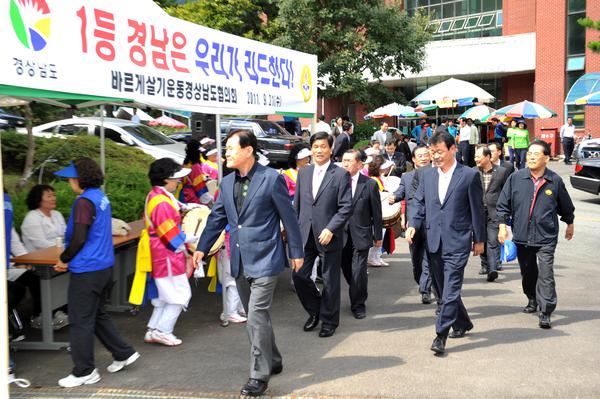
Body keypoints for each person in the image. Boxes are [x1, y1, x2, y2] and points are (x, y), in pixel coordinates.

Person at [194, 129, 303, 397]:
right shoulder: (227, 183)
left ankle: (258, 375)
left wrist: (297, 251)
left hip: (266, 258)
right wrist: (201, 248)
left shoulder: (271, 179)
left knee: (254, 316)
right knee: (259, 317)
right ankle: (274, 359)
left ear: (248, 150)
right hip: (240, 259)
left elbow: (289, 218)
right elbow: (217, 219)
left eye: (231, 148)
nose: (226, 153)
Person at [53, 158, 139, 388]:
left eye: (71, 178)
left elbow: (79, 238)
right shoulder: (100, 197)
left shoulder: (83, 202)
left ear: (79, 179)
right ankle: (123, 352)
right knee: (98, 314)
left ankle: (84, 371)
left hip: (87, 268)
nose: (69, 182)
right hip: (103, 266)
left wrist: (64, 259)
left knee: (81, 320)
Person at [406, 131, 485, 355]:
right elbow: (418, 203)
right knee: (442, 289)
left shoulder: (468, 175)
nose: (435, 156)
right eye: (432, 152)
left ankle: (440, 334)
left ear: (453, 149)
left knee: (450, 289)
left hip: (457, 240)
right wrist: (413, 223)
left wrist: (479, 240)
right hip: (433, 240)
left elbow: (477, 210)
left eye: (439, 152)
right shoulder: (427, 176)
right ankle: (463, 322)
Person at [496, 140, 575, 329]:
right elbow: (503, 204)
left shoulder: (554, 180)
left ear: (546, 158)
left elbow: (565, 206)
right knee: (528, 272)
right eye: (529, 153)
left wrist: (569, 223)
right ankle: (532, 299)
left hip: (546, 236)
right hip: (522, 235)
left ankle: (546, 310)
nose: (531, 157)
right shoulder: (516, 178)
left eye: (536, 154)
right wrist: (502, 226)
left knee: (546, 274)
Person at [292, 131, 352, 338]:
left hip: (329, 236)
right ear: (311, 149)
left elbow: (345, 207)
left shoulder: (341, 174)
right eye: (315, 146)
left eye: (323, 146)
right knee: (298, 275)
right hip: (305, 234)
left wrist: (331, 228)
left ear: (331, 149)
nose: (319, 150)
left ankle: (329, 321)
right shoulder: (304, 172)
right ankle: (315, 310)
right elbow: (297, 205)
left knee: (329, 281)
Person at [143, 158, 200, 346]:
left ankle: (154, 329)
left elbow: (179, 208)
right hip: (166, 254)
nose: (178, 182)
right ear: (167, 179)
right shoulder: (162, 202)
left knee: (164, 295)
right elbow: (171, 236)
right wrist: (191, 238)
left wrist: (192, 208)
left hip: (162, 253)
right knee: (180, 294)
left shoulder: (159, 195)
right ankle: (163, 330)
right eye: (176, 179)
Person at [389, 145, 436, 304]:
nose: (423, 158)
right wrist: (393, 197)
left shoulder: (436, 174)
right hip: (413, 224)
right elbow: (400, 192)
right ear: (414, 159)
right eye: (420, 156)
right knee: (416, 259)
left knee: (429, 257)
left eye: (426, 155)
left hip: (432, 222)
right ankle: (421, 280)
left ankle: (426, 289)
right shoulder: (406, 177)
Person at [340, 149, 383, 318]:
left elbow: (376, 212)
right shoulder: (336, 181)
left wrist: (378, 236)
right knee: (347, 270)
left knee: (358, 270)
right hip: (341, 235)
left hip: (362, 234)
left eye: (349, 161)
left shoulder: (369, 184)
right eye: (343, 160)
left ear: (359, 164)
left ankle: (358, 304)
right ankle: (356, 290)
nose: (345, 164)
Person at [473, 145, 510, 282]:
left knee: (492, 240)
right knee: (481, 239)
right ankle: (485, 264)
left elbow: (506, 193)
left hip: (495, 211)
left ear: (488, 157)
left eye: (478, 156)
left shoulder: (501, 172)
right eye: (475, 156)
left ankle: (492, 268)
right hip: (478, 212)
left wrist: (507, 212)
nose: (475, 159)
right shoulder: (473, 172)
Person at [21, 184, 67, 252]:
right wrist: (65, 248)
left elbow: (65, 234)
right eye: (49, 196)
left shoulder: (57, 214)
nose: (53, 198)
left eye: (54, 195)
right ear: (38, 199)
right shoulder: (32, 217)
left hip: (60, 253)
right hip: (39, 258)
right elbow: (40, 244)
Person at [181, 140, 212, 206]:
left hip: (184, 194)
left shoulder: (185, 163)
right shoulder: (195, 166)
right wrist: (210, 200)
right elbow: (199, 187)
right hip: (192, 197)